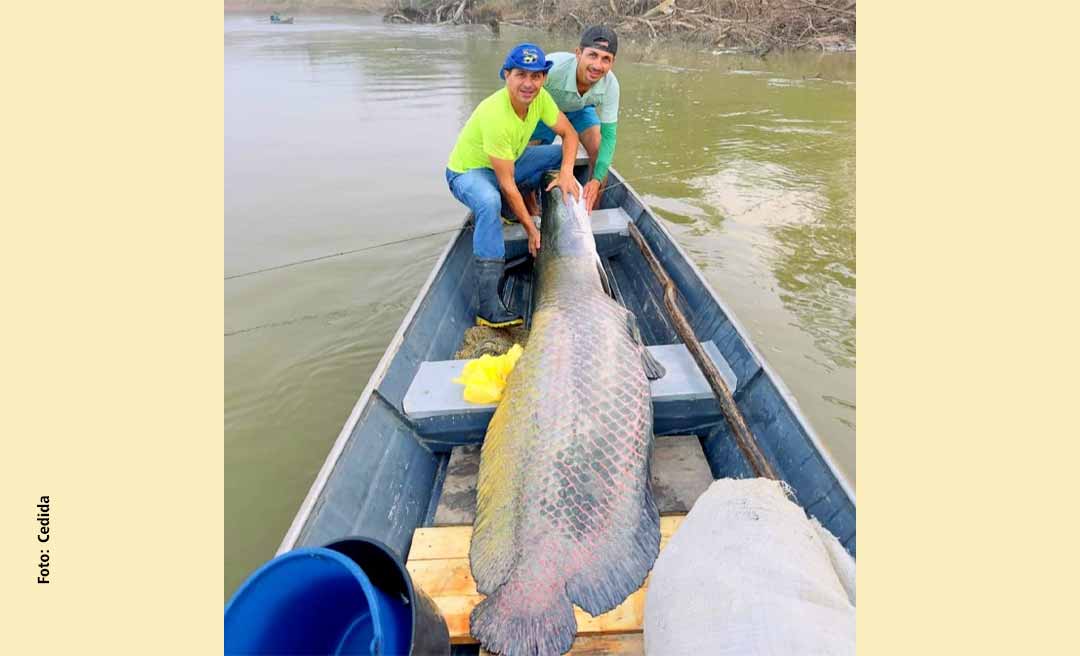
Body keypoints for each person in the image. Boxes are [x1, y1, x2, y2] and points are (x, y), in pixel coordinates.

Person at [446, 43, 581, 328]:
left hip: (508, 164)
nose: (528, 84)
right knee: (489, 202)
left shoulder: (541, 98)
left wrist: (567, 173)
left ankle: (515, 209)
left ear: (544, 79)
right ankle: (488, 307)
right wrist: (532, 229)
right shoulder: (496, 113)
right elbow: (507, 184)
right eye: (521, 75)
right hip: (469, 173)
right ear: (506, 75)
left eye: (536, 76)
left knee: (559, 156)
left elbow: (569, 134)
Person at [530, 26, 620, 213]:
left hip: (580, 109)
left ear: (613, 62)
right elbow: (519, 95)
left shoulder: (611, 85)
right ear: (578, 53)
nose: (597, 65)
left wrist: (596, 180)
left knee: (598, 148)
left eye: (606, 59)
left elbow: (609, 137)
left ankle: (591, 210)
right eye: (592, 55)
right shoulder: (552, 68)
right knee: (527, 155)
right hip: (544, 110)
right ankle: (533, 208)